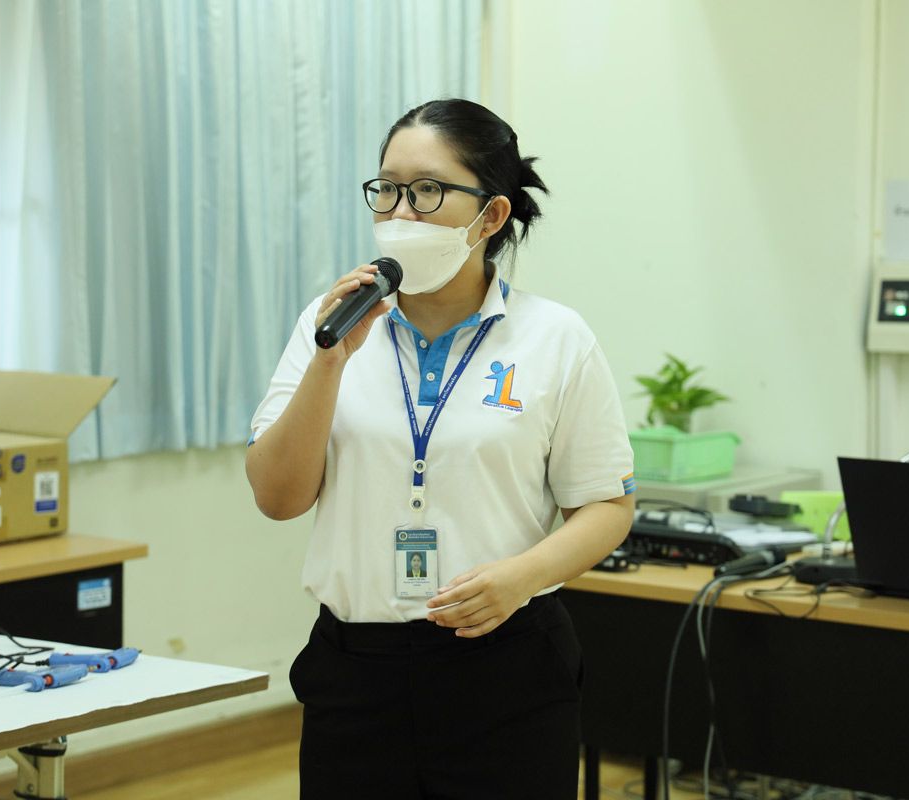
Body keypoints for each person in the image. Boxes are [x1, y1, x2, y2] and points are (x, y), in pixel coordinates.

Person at [246, 98, 636, 800]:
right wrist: (330, 361)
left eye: (427, 191)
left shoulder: (555, 338)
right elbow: (277, 498)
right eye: (388, 189)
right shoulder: (329, 325)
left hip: (505, 665)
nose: (401, 213)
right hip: (356, 671)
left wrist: (521, 577)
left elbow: (606, 506)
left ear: (491, 216)